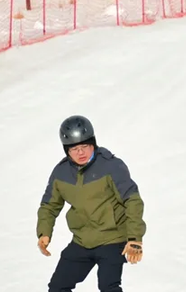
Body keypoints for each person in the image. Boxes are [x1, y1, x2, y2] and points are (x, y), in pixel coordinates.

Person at [36, 115, 146, 292]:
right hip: (82, 241)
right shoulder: (61, 173)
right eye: (74, 149)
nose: (81, 153)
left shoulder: (111, 166)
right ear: (67, 150)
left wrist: (135, 238)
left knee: (108, 287)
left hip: (112, 239)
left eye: (85, 146)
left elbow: (132, 200)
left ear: (93, 143)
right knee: (57, 287)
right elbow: (49, 206)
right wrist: (44, 232)